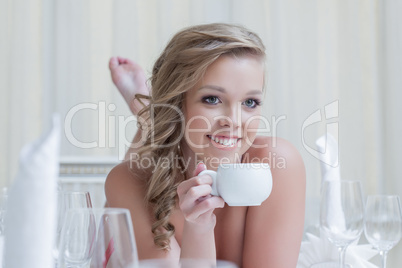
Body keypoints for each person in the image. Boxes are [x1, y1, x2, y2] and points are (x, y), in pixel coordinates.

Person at [105, 23, 306, 267]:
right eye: (212, 99)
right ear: (177, 103)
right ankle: (149, 116)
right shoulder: (128, 180)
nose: (233, 121)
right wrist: (198, 228)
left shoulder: (277, 163)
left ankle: (148, 115)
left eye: (250, 102)